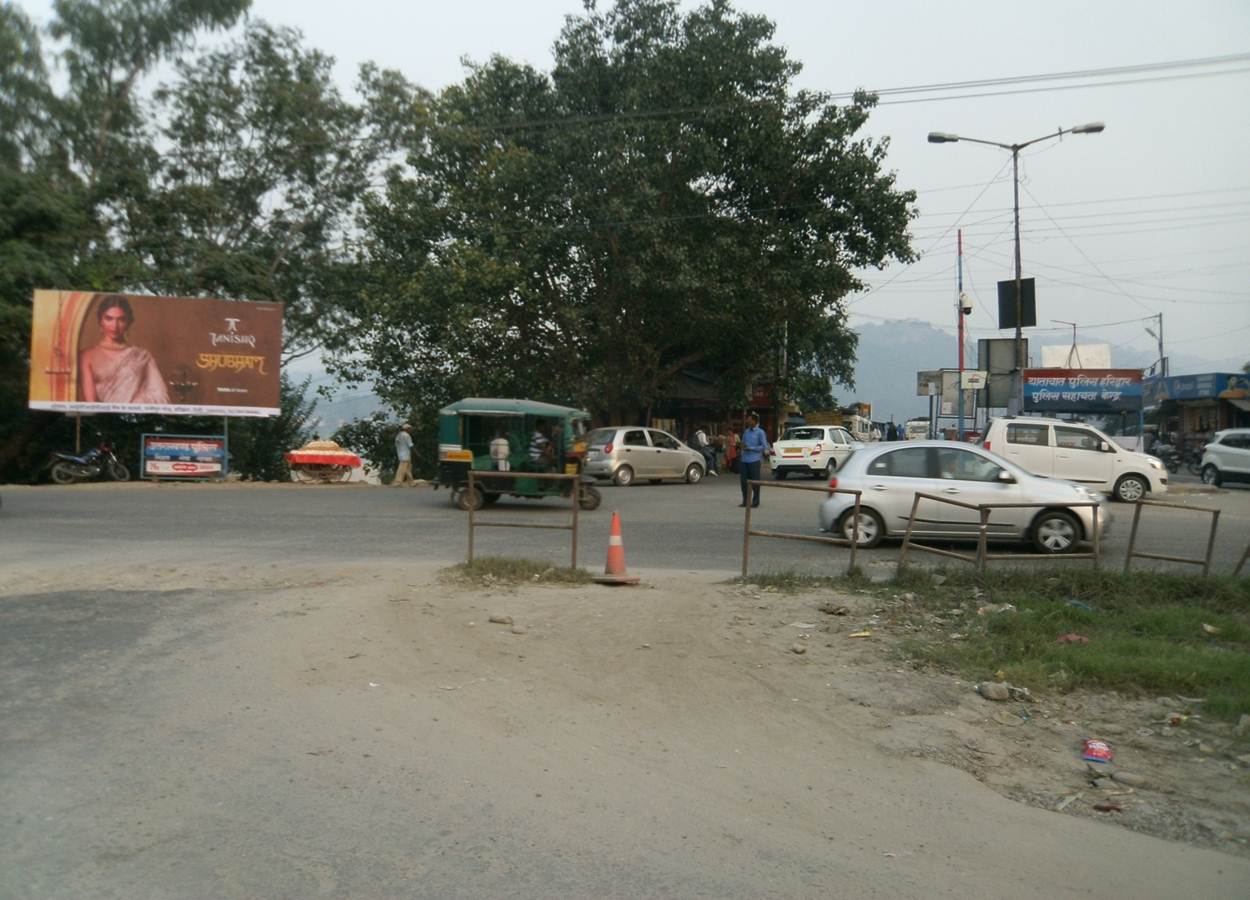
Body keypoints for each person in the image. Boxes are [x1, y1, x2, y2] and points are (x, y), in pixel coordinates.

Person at [78, 295, 170, 405]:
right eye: (109, 318)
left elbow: (161, 396)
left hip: (137, 416)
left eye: (121, 319)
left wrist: (137, 402)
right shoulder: (86, 356)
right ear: (100, 321)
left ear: (128, 323)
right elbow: (91, 404)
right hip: (102, 419)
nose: (114, 326)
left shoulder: (142, 356)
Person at [738, 413, 770, 508]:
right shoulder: (746, 432)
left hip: (754, 460)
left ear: (755, 421)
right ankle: (745, 501)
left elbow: (764, 446)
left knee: (755, 482)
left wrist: (751, 448)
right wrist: (741, 446)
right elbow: (743, 443)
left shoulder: (760, 432)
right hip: (744, 460)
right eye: (747, 419)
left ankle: (755, 501)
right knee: (744, 482)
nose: (748, 421)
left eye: (750, 420)